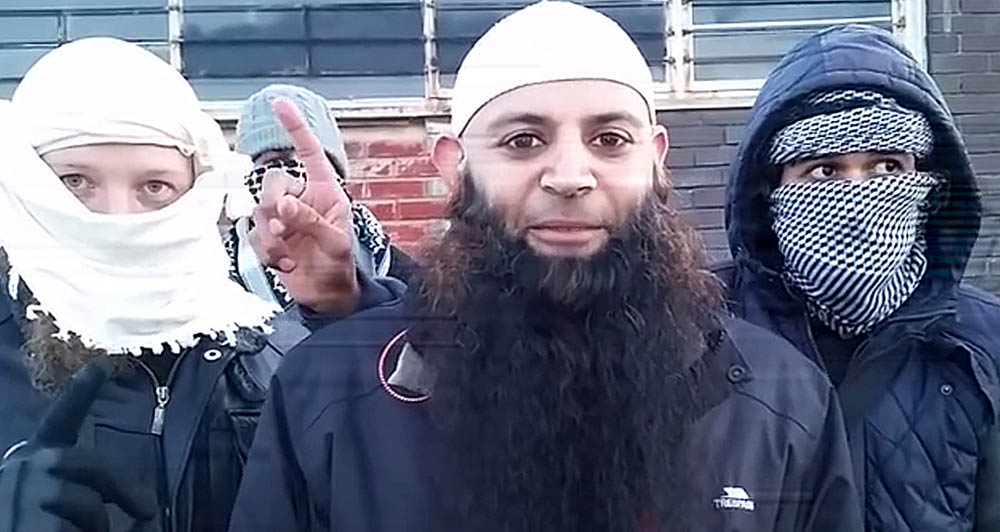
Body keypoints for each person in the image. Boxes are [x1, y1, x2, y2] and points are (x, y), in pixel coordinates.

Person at [229, 3, 862, 531]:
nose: (569, 176)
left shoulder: (782, 398)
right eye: (522, 141)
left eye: (609, 140)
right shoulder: (326, 393)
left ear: (654, 160)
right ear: (454, 166)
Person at [0, 38, 304, 532]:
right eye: (75, 181)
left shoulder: (270, 354)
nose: (117, 218)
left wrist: (345, 310)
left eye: (154, 187)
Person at [719, 24, 1000, 531]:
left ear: (927, 184)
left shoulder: (985, 342)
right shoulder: (704, 328)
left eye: (887, 167)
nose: (858, 194)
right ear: (770, 189)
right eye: (824, 171)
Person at [227, 84, 416, 309]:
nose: (298, 174)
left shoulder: (391, 264)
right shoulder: (218, 279)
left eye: (317, 161)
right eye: (276, 162)